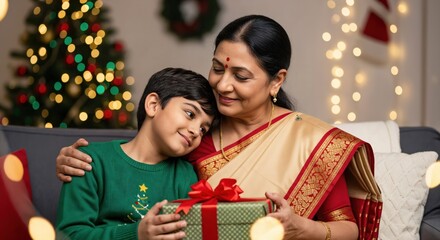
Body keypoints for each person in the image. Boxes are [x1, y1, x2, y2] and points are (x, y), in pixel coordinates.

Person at [55, 15, 382, 240]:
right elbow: (141, 157)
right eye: (216, 68)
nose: (222, 85)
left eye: (240, 76)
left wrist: (302, 229)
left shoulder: (308, 142)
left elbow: (348, 229)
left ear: (276, 81)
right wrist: (79, 161)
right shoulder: (194, 131)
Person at [56, 67, 219, 240]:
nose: (196, 131)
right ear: (153, 105)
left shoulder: (185, 176)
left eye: (203, 129)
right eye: (190, 113)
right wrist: (136, 234)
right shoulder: (88, 161)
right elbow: (68, 235)